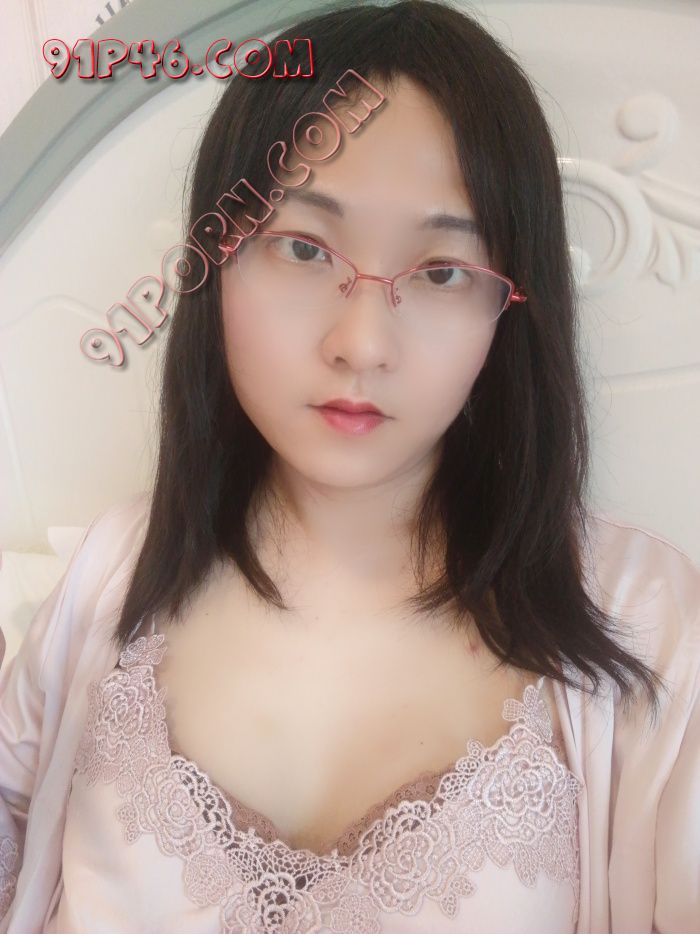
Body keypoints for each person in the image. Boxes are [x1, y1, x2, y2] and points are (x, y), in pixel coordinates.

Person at [1, 1, 698, 931]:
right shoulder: (111, 573)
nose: (362, 342)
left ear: (509, 308)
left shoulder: (645, 620)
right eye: (302, 248)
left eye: (443, 271)